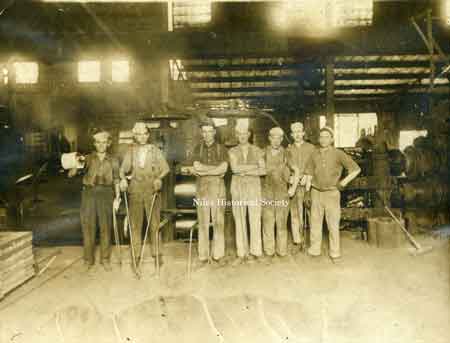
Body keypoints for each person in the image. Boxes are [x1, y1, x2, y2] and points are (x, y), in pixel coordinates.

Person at [304, 126, 361, 262]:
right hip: (316, 192)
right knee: (315, 223)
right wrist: (307, 192)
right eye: (321, 137)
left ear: (332, 139)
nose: (323, 139)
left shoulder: (338, 154)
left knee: (333, 224)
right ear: (319, 139)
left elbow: (356, 169)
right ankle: (314, 250)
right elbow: (309, 175)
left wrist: (343, 183)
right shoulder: (314, 154)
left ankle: (335, 253)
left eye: (327, 137)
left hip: (332, 193)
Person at [68, 130, 120, 271]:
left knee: (105, 227)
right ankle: (88, 260)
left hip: (106, 194)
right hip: (89, 194)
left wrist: (118, 198)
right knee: (88, 227)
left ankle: (105, 259)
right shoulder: (87, 158)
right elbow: (73, 172)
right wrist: (73, 167)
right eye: (98, 142)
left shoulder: (114, 160)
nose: (101, 145)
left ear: (108, 143)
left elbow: (116, 180)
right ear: (94, 144)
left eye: (104, 142)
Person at [119, 122, 170, 267]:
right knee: (135, 225)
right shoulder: (131, 151)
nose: (142, 137)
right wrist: (123, 179)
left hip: (151, 190)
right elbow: (123, 169)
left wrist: (159, 178)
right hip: (135, 190)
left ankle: (157, 255)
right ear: (135, 136)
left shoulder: (155, 150)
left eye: (144, 134)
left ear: (148, 135)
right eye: (138, 134)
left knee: (154, 224)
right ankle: (136, 256)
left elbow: (165, 168)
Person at [181, 121, 228, 266]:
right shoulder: (197, 148)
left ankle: (218, 255)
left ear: (214, 132)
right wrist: (213, 170)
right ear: (202, 133)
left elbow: (223, 169)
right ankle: (203, 256)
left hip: (218, 189)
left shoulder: (222, 149)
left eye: (210, 131)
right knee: (203, 222)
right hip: (202, 189)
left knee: (218, 222)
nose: (207, 134)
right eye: (204, 131)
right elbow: (195, 167)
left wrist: (203, 171)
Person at [228, 122, 266, 265]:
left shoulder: (257, 150)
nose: (242, 136)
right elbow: (235, 169)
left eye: (244, 133)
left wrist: (245, 170)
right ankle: (241, 253)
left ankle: (256, 252)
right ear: (237, 135)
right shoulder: (232, 151)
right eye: (239, 134)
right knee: (240, 220)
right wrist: (254, 167)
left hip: (254, 188)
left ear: (248, 135)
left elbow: (263, 170)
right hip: (237, 187)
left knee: (255, 219)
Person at [262, 127, 291, 260]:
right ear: (269, 138)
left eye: (279, 137)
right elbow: (260, 170)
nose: (276, 140)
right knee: (268, 222)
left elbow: (293, 170)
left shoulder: (287, 153)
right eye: (274, 137)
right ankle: (269, 252)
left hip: (282, 192)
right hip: (267, 192)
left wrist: (292, 185)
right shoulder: (263, 152)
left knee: (281, 222)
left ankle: (282, 251)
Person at [286, 122, 315, 254]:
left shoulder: (311, 148)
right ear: (291, 135)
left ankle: (313, 242)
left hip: (309, 185)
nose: (297, 134)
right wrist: (292, 180)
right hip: (294, 185)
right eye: (294, 132)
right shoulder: (288, 150)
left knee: (311, 213)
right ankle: (298, 241)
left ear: (303, 133)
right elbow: (287, 168)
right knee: (295, 214)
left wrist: (308, 177)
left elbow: (315, 166)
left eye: (299, 131)